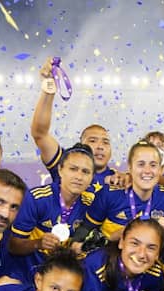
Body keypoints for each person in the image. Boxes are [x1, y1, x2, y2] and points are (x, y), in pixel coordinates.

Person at [31, 59, 115, 194]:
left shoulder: (120, 180)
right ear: (81, 145)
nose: (100, 146)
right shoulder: (65, 162)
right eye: (92, 141)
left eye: (106, 142)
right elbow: (40, 133)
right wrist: (48, 90)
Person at [8, 143, 96, 269]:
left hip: (66, 276)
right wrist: (38, 243)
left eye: (85, 172)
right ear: (60, 170)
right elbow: (13, 245)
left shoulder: (92, 204)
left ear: (92, 177)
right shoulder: (37, 199)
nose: (79, 177)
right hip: (30, 272)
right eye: (73, 169)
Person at [78, 142, 164, 242]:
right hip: (110, 257)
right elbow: (86, 229)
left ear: (161, 169)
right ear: (130, 167)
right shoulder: (109, 194)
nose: (147, 170)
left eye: (153, 165)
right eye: (141, 164)